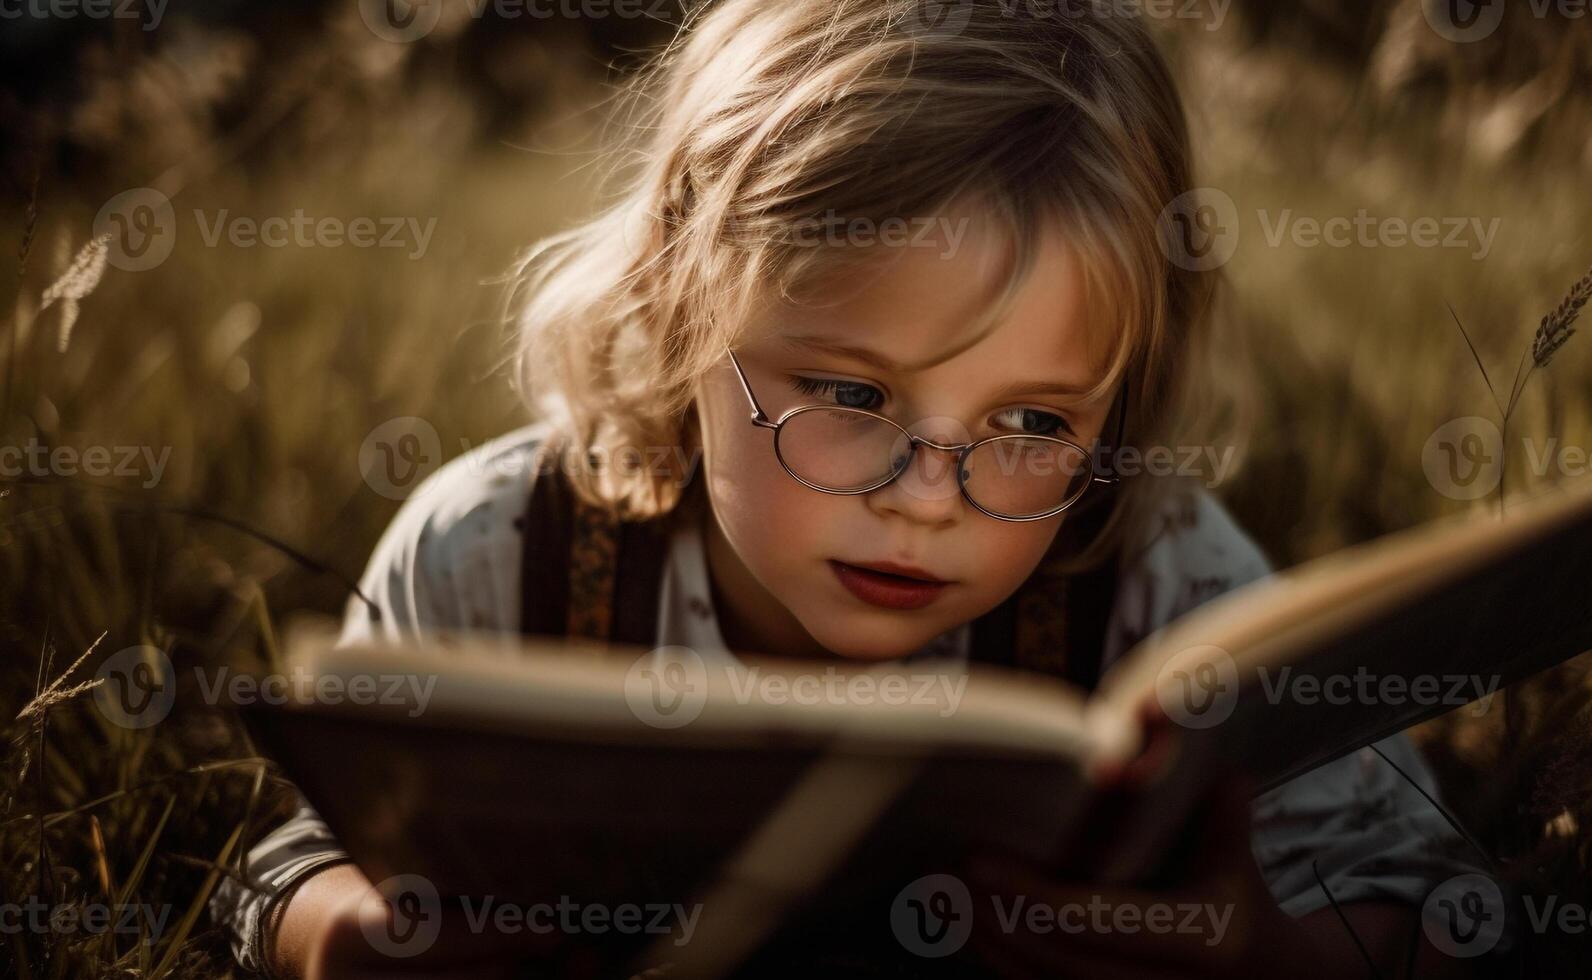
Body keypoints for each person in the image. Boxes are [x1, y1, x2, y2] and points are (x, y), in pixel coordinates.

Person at [213, 1, 1480, 976]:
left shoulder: (1166, 585)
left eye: (1033, 420)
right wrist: (349, 940)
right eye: (855, 397)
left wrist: (1268, 956)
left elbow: (1449, 907)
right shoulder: (500, 549)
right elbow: (282, 865)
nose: (930, 495)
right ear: (678, 303)